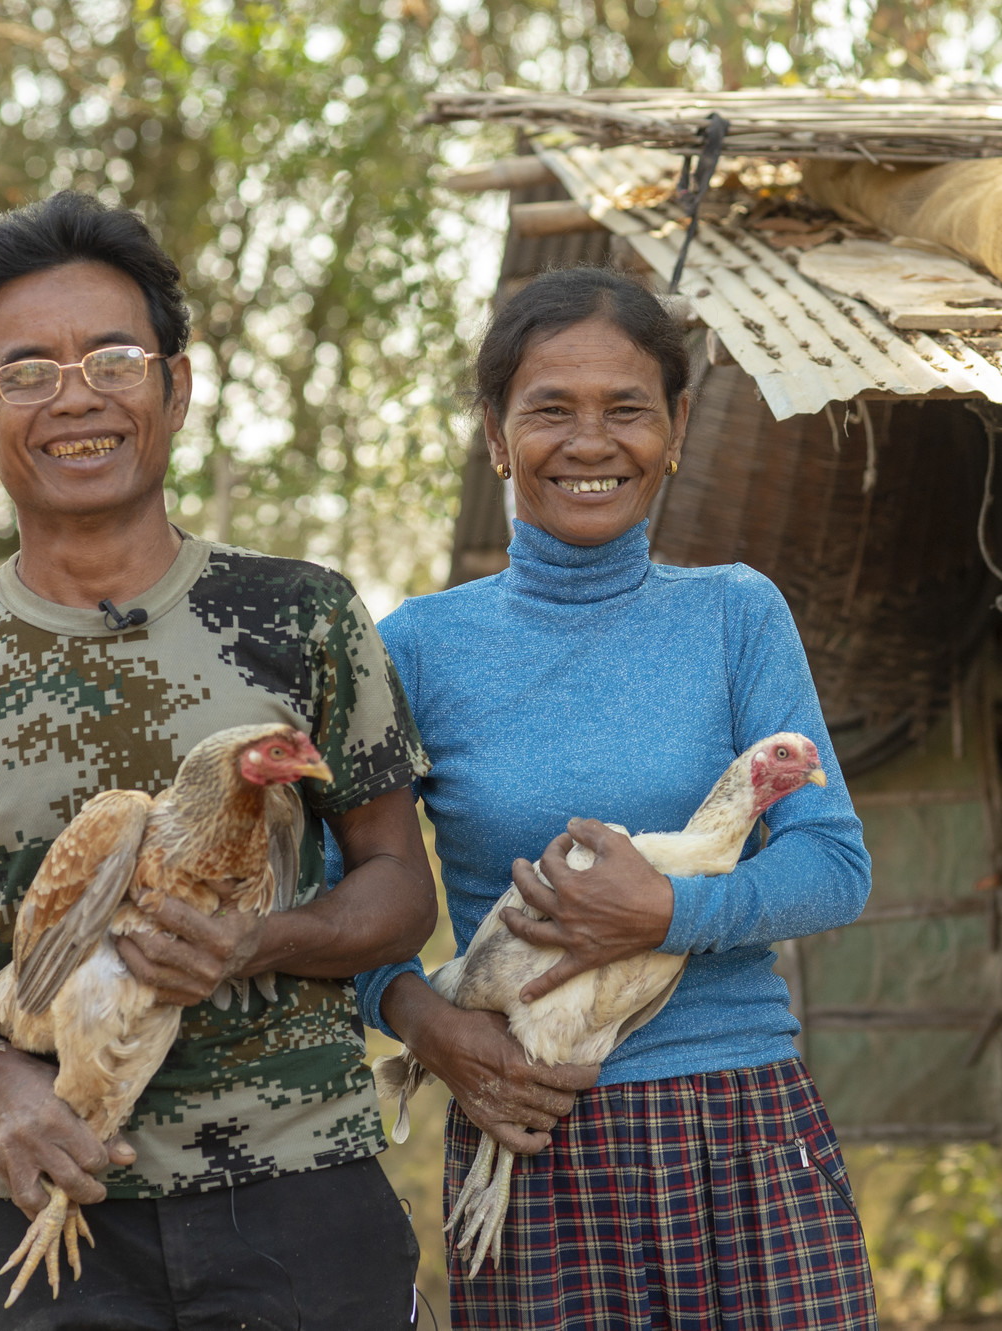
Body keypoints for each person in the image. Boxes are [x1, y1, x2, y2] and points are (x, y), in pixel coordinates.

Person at [0, 191, 434, 1330]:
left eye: (113, 356)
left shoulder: (303, 613)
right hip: (46, 1200)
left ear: (175, 386)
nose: (75, 394)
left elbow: (397, 887)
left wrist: (260, 939)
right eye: (26, 370)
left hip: (299, 1193)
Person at [358, 267, 879, 1327]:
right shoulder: (415, 645)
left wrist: (669, 912)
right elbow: (337, 898)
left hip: (742, 1130)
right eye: (549, 408)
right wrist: (427, 1027)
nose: (589, 442)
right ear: (496, 435)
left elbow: (832, 860)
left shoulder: (736, 614)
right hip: (528, 1130)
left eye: (626, 409)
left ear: (676, 427)